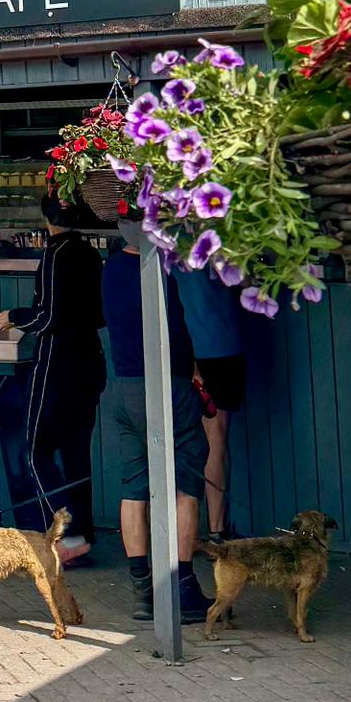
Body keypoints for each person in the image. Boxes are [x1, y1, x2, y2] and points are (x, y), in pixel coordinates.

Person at [101, 221, 213, 623]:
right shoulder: (167, 269)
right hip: (170, 385)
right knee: (186, 485)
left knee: (134, 488)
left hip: (125, 387)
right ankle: (182, 586)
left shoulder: (110, 268)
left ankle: (142, 591)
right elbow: (187, 328)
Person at [0, 196, 106, 564]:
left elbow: (48, 317)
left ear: (46, 219)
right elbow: (97, 314)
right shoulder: (90, 255)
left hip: (57, 365)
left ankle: (67, 533)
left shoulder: (56, 255)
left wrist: (15, 315)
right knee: (76, 454)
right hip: (89, 361)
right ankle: (83, 534)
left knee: (35, 449)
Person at [174, 267, 247, 542]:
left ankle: (183, 533)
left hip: (182, 348)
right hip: (219, 345)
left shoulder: (166, 240)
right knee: (215, 441)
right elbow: (246, 279)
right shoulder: (218, 238)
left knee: (183, 441)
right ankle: (217, 531)